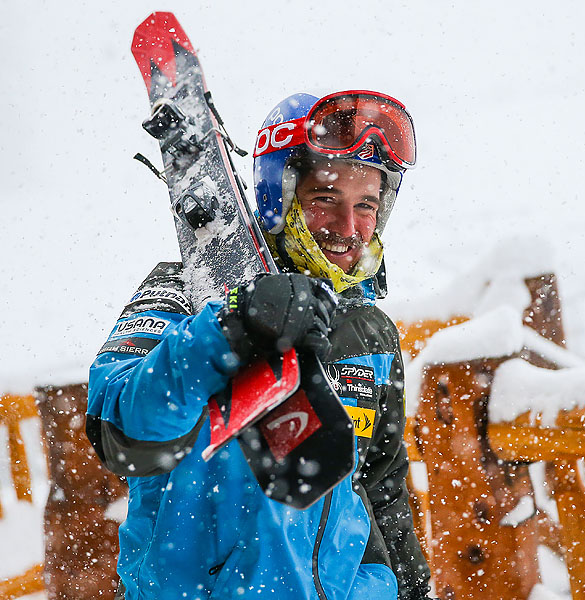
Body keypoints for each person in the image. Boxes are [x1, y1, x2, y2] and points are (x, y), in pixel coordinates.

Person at [86, 90, 434, 599]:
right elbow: (120, 433)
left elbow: (379, 483)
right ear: (283, 196)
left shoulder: (370, 330)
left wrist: (408, 589)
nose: (349, 228)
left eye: (366, 206)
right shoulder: (186, 293)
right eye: (325, 200)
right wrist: (232, 329)